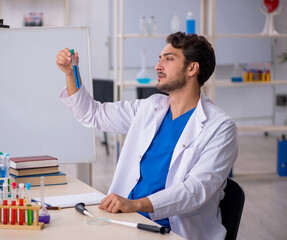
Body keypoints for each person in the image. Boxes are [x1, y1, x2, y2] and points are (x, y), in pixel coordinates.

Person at [56, 32, 238, 240]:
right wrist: (71, 74)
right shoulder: (150, 107)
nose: (158, 66)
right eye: (159, 58)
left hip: (172, 230)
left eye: (169, 59)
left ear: (192, 68)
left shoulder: (220, 127)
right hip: (126, 220)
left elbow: (196, 190)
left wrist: (136, 204)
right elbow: (93, 115)